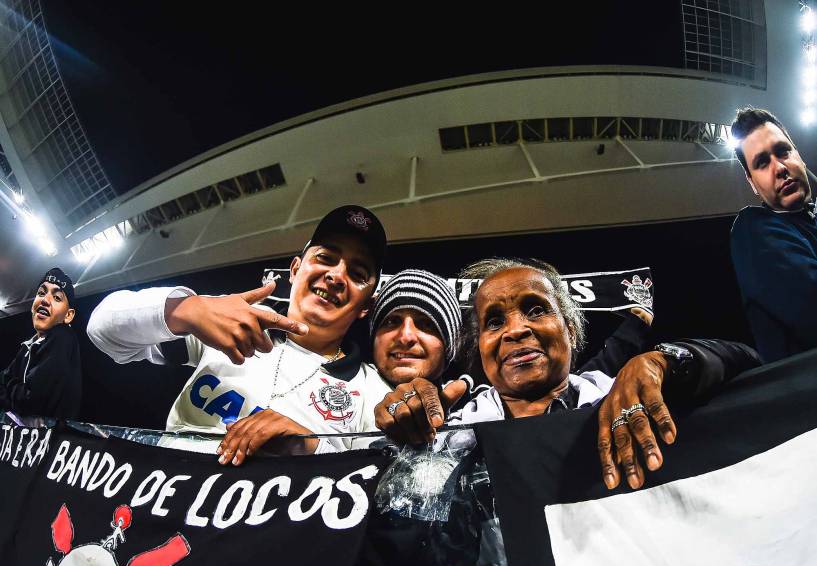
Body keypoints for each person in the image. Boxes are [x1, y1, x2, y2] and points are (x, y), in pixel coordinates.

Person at [374, 257, 760, 490]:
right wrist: (407, 433)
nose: (515, 330)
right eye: (494, 321)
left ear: (571, 330)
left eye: (536, 310)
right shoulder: (452, 433)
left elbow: (750, 361)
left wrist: (662, 361)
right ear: (481, 349)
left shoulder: (626, 397)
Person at [87, 205, 392, 459]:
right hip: (163, 506)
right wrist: (187, 310)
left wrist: (308, 446)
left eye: (357, 273)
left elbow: (378, 483)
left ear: (366, 305)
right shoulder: (232, 320)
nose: (337, 275)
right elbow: (102, 330)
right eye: (325, 258)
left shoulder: (371, 390)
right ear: (296, 269)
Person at [729, 107, 817, 362]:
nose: (779, 167)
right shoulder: (753, 229)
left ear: (798, 156)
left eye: (783, 152)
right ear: (752, 182)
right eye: (762, 163)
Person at [0, 268, 82, 420]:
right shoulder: (28, 345)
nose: (45, 300)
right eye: (41, 293)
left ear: (69, 315)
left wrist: (9, 383)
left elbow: (30, 402)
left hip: (48, 441)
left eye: (57, 298)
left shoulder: (63, 336)